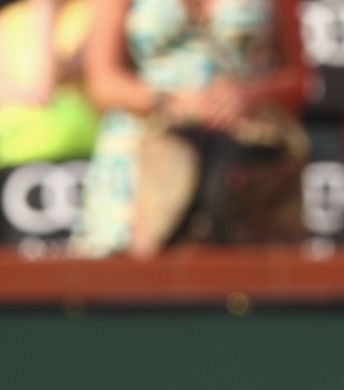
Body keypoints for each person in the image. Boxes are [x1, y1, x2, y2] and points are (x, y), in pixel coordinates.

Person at [72, 0, 308, 256]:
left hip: (243, 166)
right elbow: (102, 84)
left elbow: (299, 78)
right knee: (127, 283)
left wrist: (249, 96)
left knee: (249, 282)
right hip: (143, 163)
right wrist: (170, 102)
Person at [0, 0, 100, 167]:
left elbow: (50, 77)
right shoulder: (2, 21)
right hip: (13, 158)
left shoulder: (95, 11)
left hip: (84, 154)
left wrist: (45, 15)